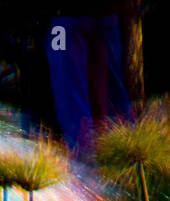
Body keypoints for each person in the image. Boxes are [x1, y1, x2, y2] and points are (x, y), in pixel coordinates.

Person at [45, 2, 133, 151]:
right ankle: (126, 154)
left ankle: (84, 157)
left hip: (66, 18)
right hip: (107, 16)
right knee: (109, 91)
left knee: (69, 93)